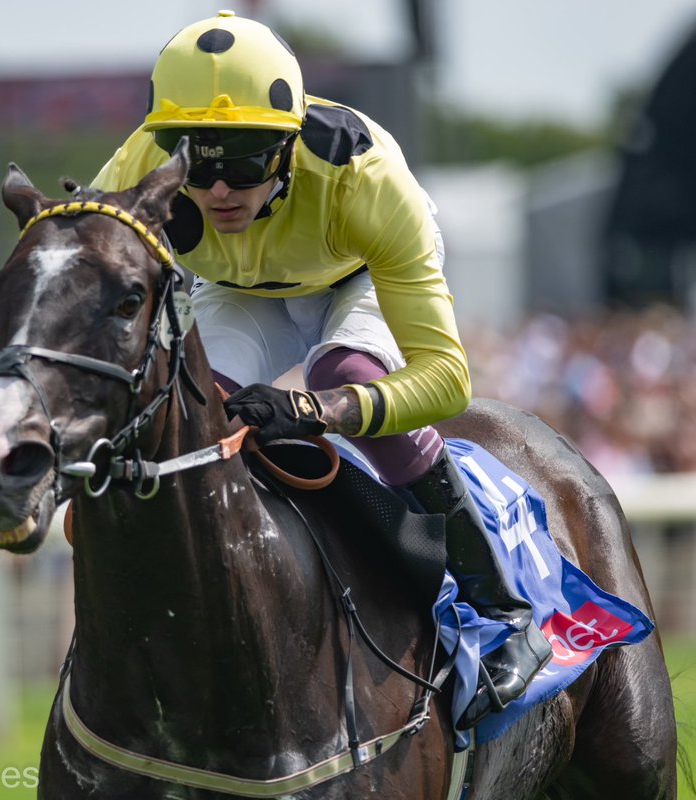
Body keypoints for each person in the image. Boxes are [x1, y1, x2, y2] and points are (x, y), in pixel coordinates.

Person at [91, 10, 550, 730]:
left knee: (348, 367)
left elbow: (447, 380)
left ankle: (501, 603)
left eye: (243, 161)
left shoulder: (364, 177)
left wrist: (316, 412)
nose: (217, 191)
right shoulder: (135, 168)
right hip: (239, 294)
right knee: (194, 404)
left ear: (287, 142)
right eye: (199, 162)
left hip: (358, 276)